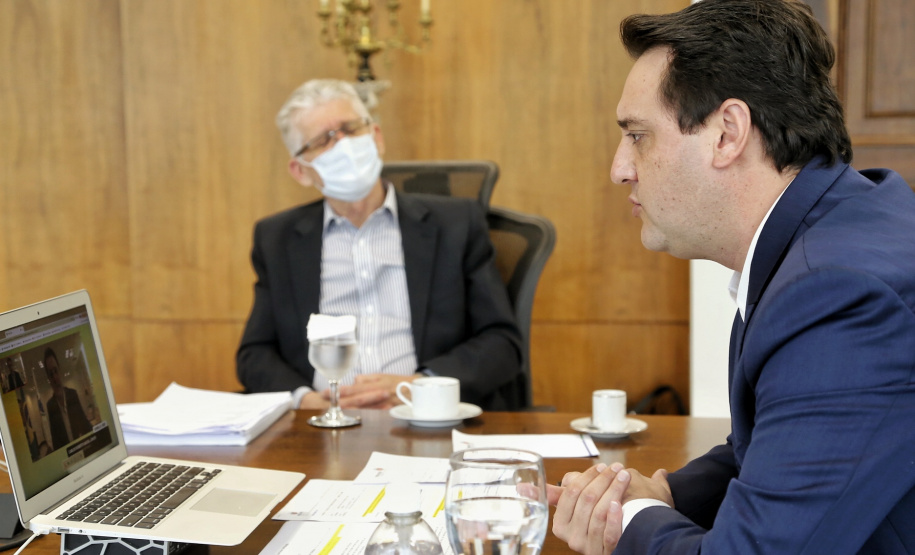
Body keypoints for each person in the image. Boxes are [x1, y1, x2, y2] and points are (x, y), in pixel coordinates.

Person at [548, 1, 915, 553]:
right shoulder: (840, 224)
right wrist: (667, 493)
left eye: (638, 135)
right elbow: (783, 439)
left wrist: (629, 520)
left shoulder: (840, 295)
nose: (619, 167)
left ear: (727, 133)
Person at [237, 79, 523, 411]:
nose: (342, 145)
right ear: (300, 170)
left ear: (377, 137)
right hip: (322, 425)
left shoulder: (456, 224)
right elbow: (255, 354)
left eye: (349, 129)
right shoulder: (278, 239)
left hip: (424, 416)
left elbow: (502, 344)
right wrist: (307, 402)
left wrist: (421, 387)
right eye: (323, 140)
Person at [43, 347, 92, 450]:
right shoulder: (50, 406)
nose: (55, 377)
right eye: (51, 374)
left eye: (55, 371)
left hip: (82, 448)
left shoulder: (72, 394)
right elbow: (55, 440)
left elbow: (85, 424)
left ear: (59, 370)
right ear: (48, 378)